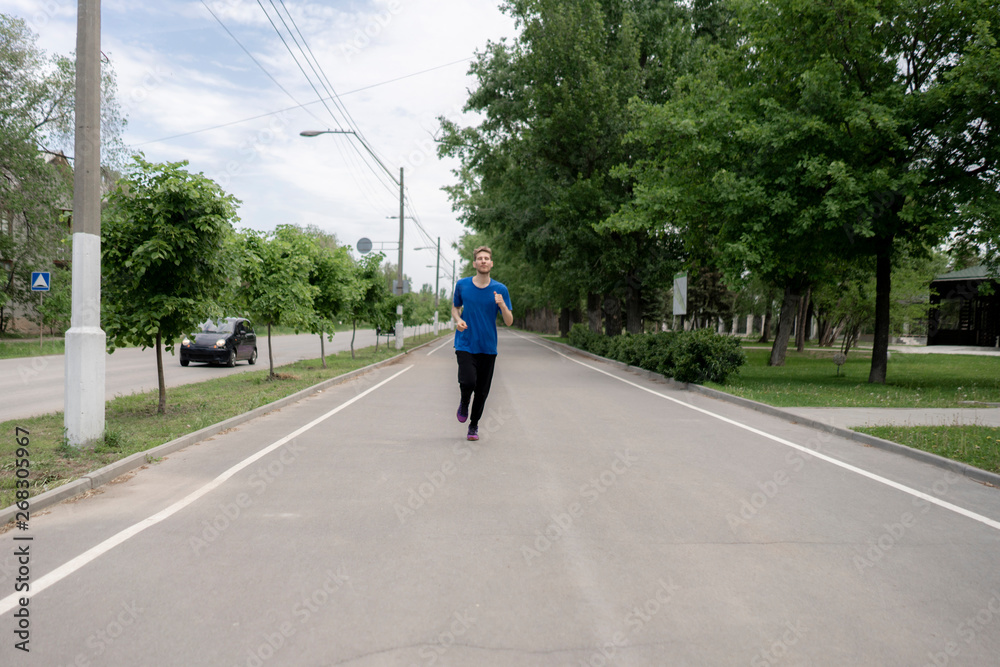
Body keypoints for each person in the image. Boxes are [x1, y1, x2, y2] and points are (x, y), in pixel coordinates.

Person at [452, 245, 513, 441]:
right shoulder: (462, 285)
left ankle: (474, 425)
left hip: (488, 347)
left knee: (482, 391)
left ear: (491, 263)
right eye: (480, 258)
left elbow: (509, 321)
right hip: (465, 342)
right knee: (468, 381)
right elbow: (455, 308)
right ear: (474, 263)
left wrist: (502, 305)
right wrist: (458, 320)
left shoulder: (500, 289)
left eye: (487, 258)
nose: (484, 261)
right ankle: (463, 402)